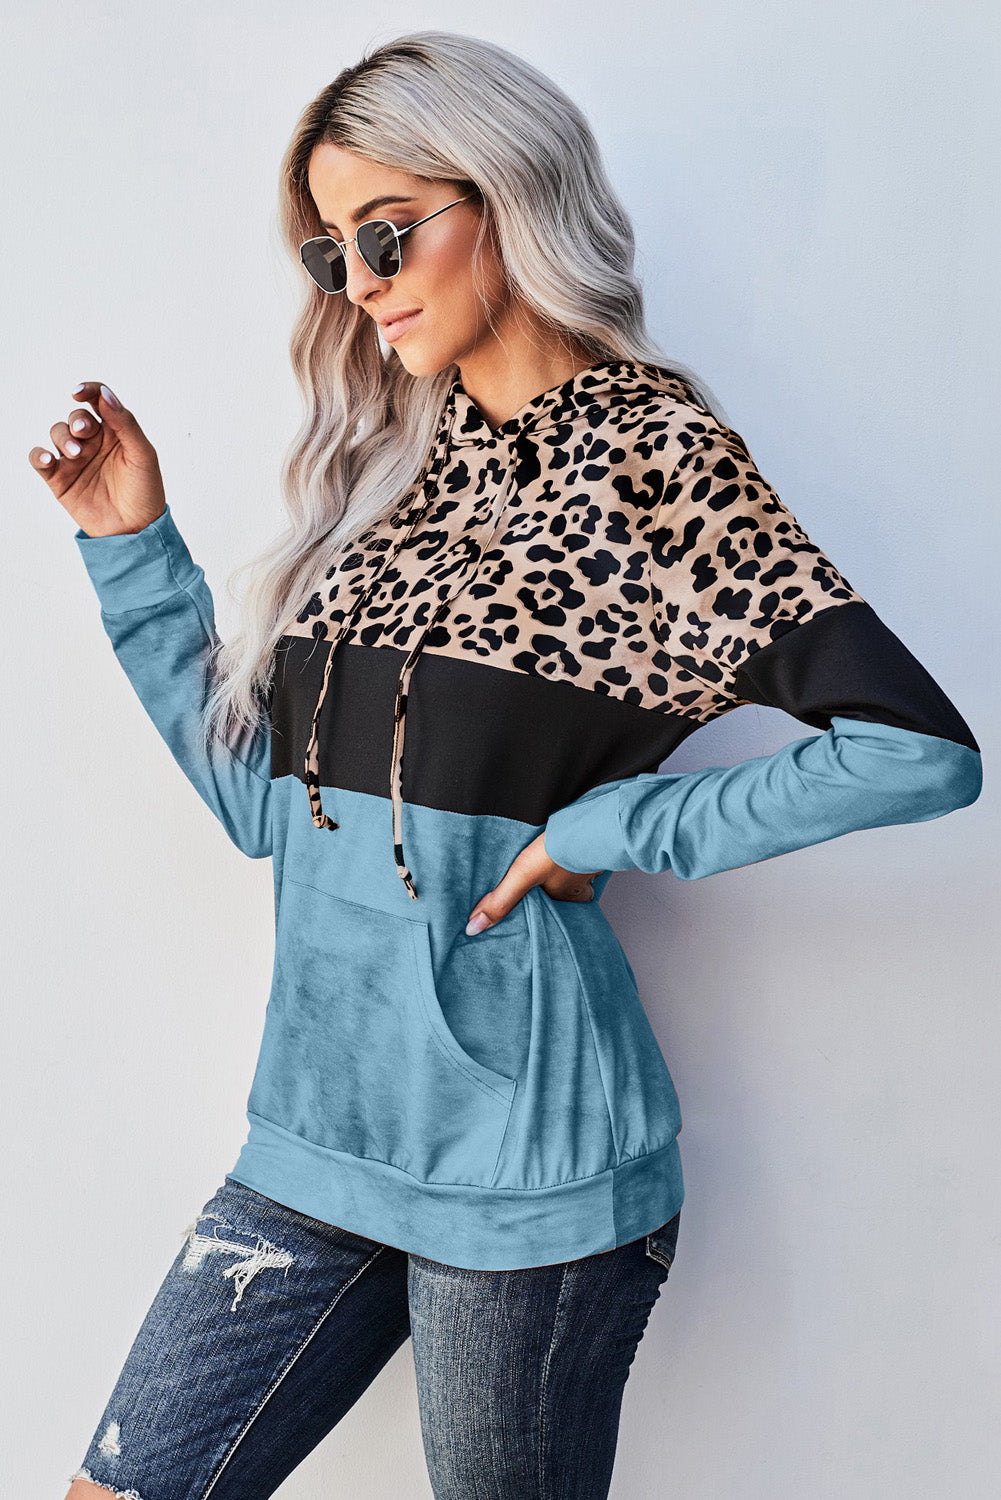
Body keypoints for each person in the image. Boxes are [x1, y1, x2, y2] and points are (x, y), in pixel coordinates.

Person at [32, 30, 981, 1500]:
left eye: (388, 231)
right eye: (332, 253)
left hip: (531, 1173)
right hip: (314, 1142)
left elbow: (915, 753)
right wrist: (131, 552)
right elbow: (258, 811)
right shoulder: (390, 474)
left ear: (511, 193)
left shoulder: (655, 461)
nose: (360, 284)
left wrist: (620, 823)